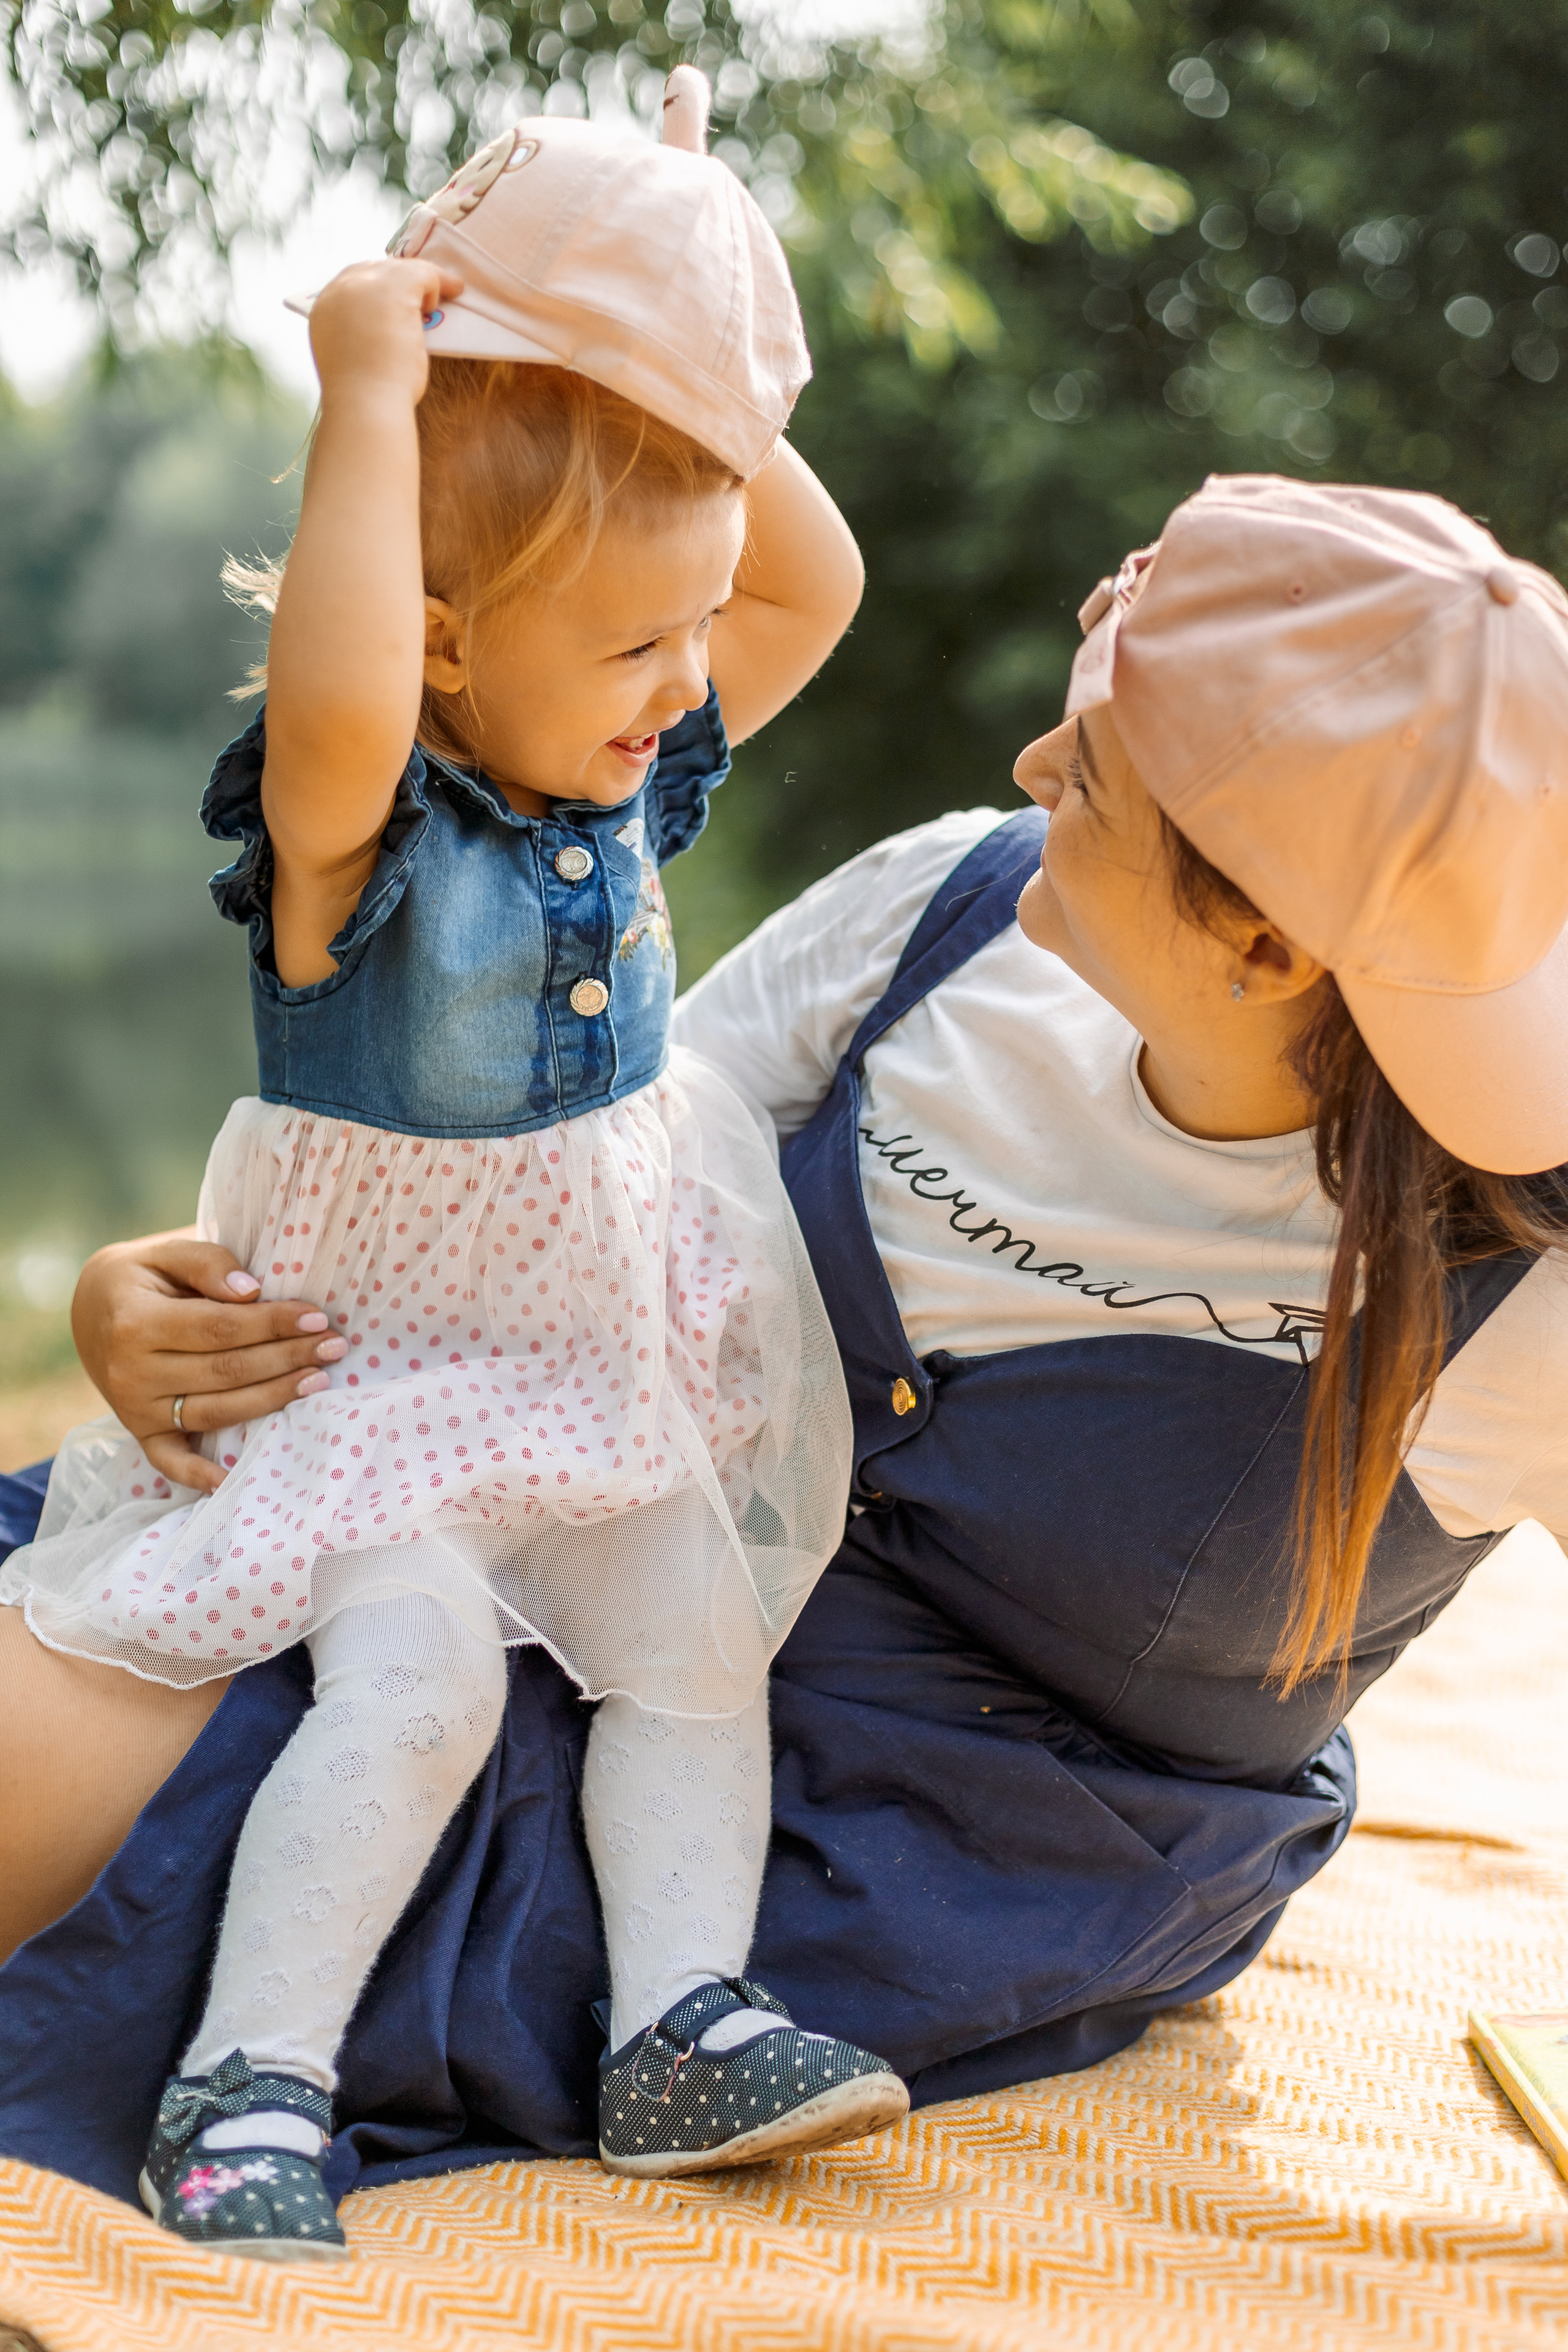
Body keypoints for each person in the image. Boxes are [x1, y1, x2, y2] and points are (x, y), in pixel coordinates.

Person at [6, 472, 1568, 2220]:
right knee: (89, 1632)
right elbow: (549, 1195)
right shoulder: (942, 915)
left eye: (1095, 781)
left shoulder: (1524, 1301)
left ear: (1269, 939)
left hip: (919, 1849)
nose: (1032, 777)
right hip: (601, 1571)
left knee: (140, 1787)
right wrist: (181, 1294)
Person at [0, 88, 909, 2260]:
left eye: (689, 644)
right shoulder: (363, 856)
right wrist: (375, 399)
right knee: (421, 1691)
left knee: (697, 1647)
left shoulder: (626, 779)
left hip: (592, 1381)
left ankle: (679, 2018)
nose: (691, 685)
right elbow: (329, 697)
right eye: (634, 647)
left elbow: (814, 575)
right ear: (436, 642)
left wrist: (657, 302)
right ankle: (253, 2082)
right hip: (378, 1393)